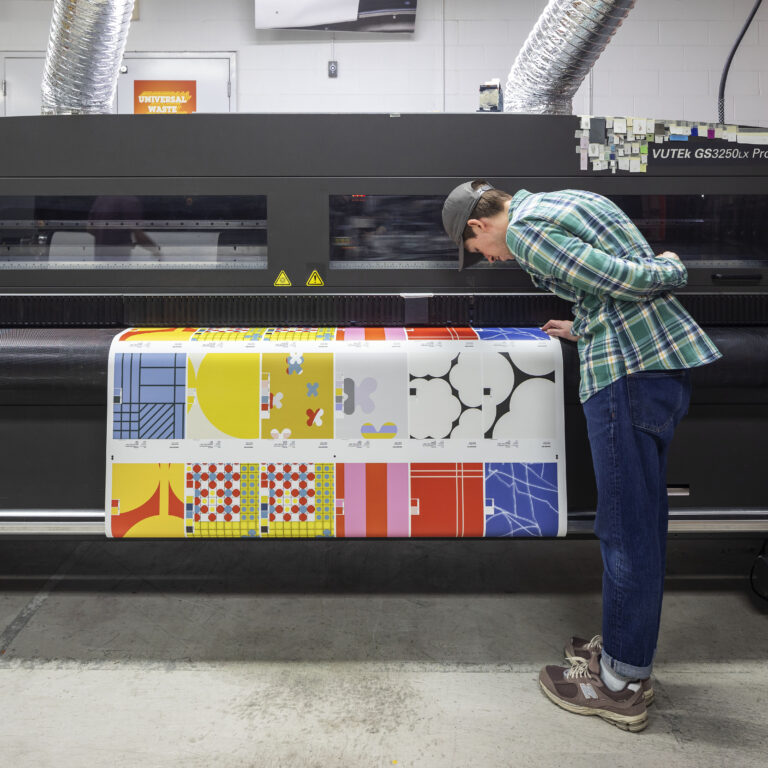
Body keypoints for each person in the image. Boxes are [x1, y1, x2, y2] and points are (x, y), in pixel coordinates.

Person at [442, 180, 722, 732]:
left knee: (623, 532)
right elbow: (608, 287)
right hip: (656, 367)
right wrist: (585, 324)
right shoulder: (567, 199)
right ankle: (625, 651)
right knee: (642, 525)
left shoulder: (523, 233)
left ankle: (619, 684)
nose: (492, 260)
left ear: (478, 226)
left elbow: (626, 277)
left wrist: (671, 267)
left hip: (624, 377)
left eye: (478, 251)